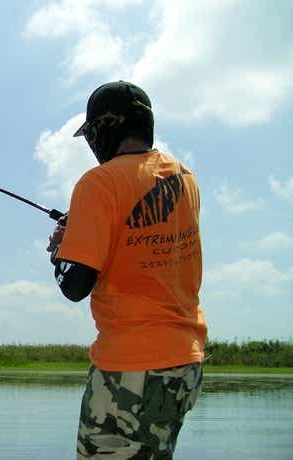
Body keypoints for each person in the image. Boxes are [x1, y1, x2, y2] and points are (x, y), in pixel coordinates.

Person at [46, 81, 207, 459]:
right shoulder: (185, 178)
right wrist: (84, 228)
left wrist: (59, 251)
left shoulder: (97, 183)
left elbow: (75, 284)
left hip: (129, 367)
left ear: (104, 129)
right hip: (184, 362)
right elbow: (139, 243)